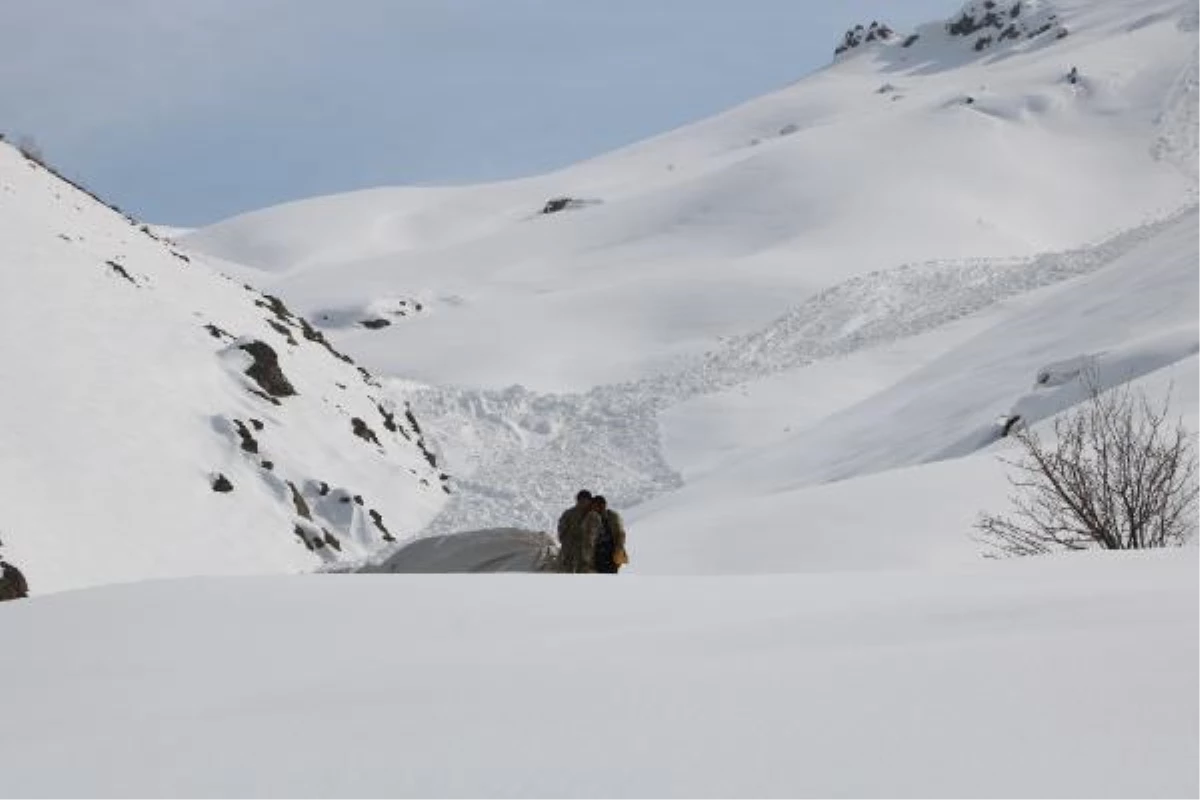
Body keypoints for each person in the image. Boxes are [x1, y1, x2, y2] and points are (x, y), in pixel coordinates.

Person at [557, 490, 600, 573]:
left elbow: (598, 534)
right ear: (578, 500)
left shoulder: (594, 515)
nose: (583, 502)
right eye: (581, 500)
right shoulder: (568, 513)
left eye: (586, 500)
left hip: (587, 554)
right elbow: (561, 531)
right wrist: (567, 542)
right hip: (570, 552)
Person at [591, 496, 628, 574]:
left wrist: (619, 549)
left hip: (610, 555)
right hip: (596, 557)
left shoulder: (612, 517)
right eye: (595, 506)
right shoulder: (590, 519)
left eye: (600, 505)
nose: (598, 508)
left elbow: (620, 534)